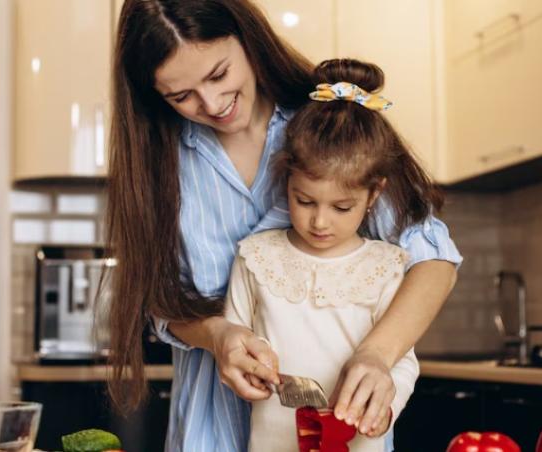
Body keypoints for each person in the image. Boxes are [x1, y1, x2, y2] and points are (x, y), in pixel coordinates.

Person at [104, 1, 463, 451]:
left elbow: (435, 259)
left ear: (247, 38)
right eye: (181, 96)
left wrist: (377, 356)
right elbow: (159, 304)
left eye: (218, 75)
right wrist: (218, 335)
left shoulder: (332, 125)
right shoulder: (157, 160)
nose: (211, 104)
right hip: (208, 430)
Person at [224, 58, 432, 452]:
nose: (320, 222)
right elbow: (236, 343)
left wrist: (384, 407)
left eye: (342, 208)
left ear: (374, 195)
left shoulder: (385, 267)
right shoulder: (255, 258)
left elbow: (403, 361)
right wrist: (248, 371)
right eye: (304, 201)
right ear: (287, 181)